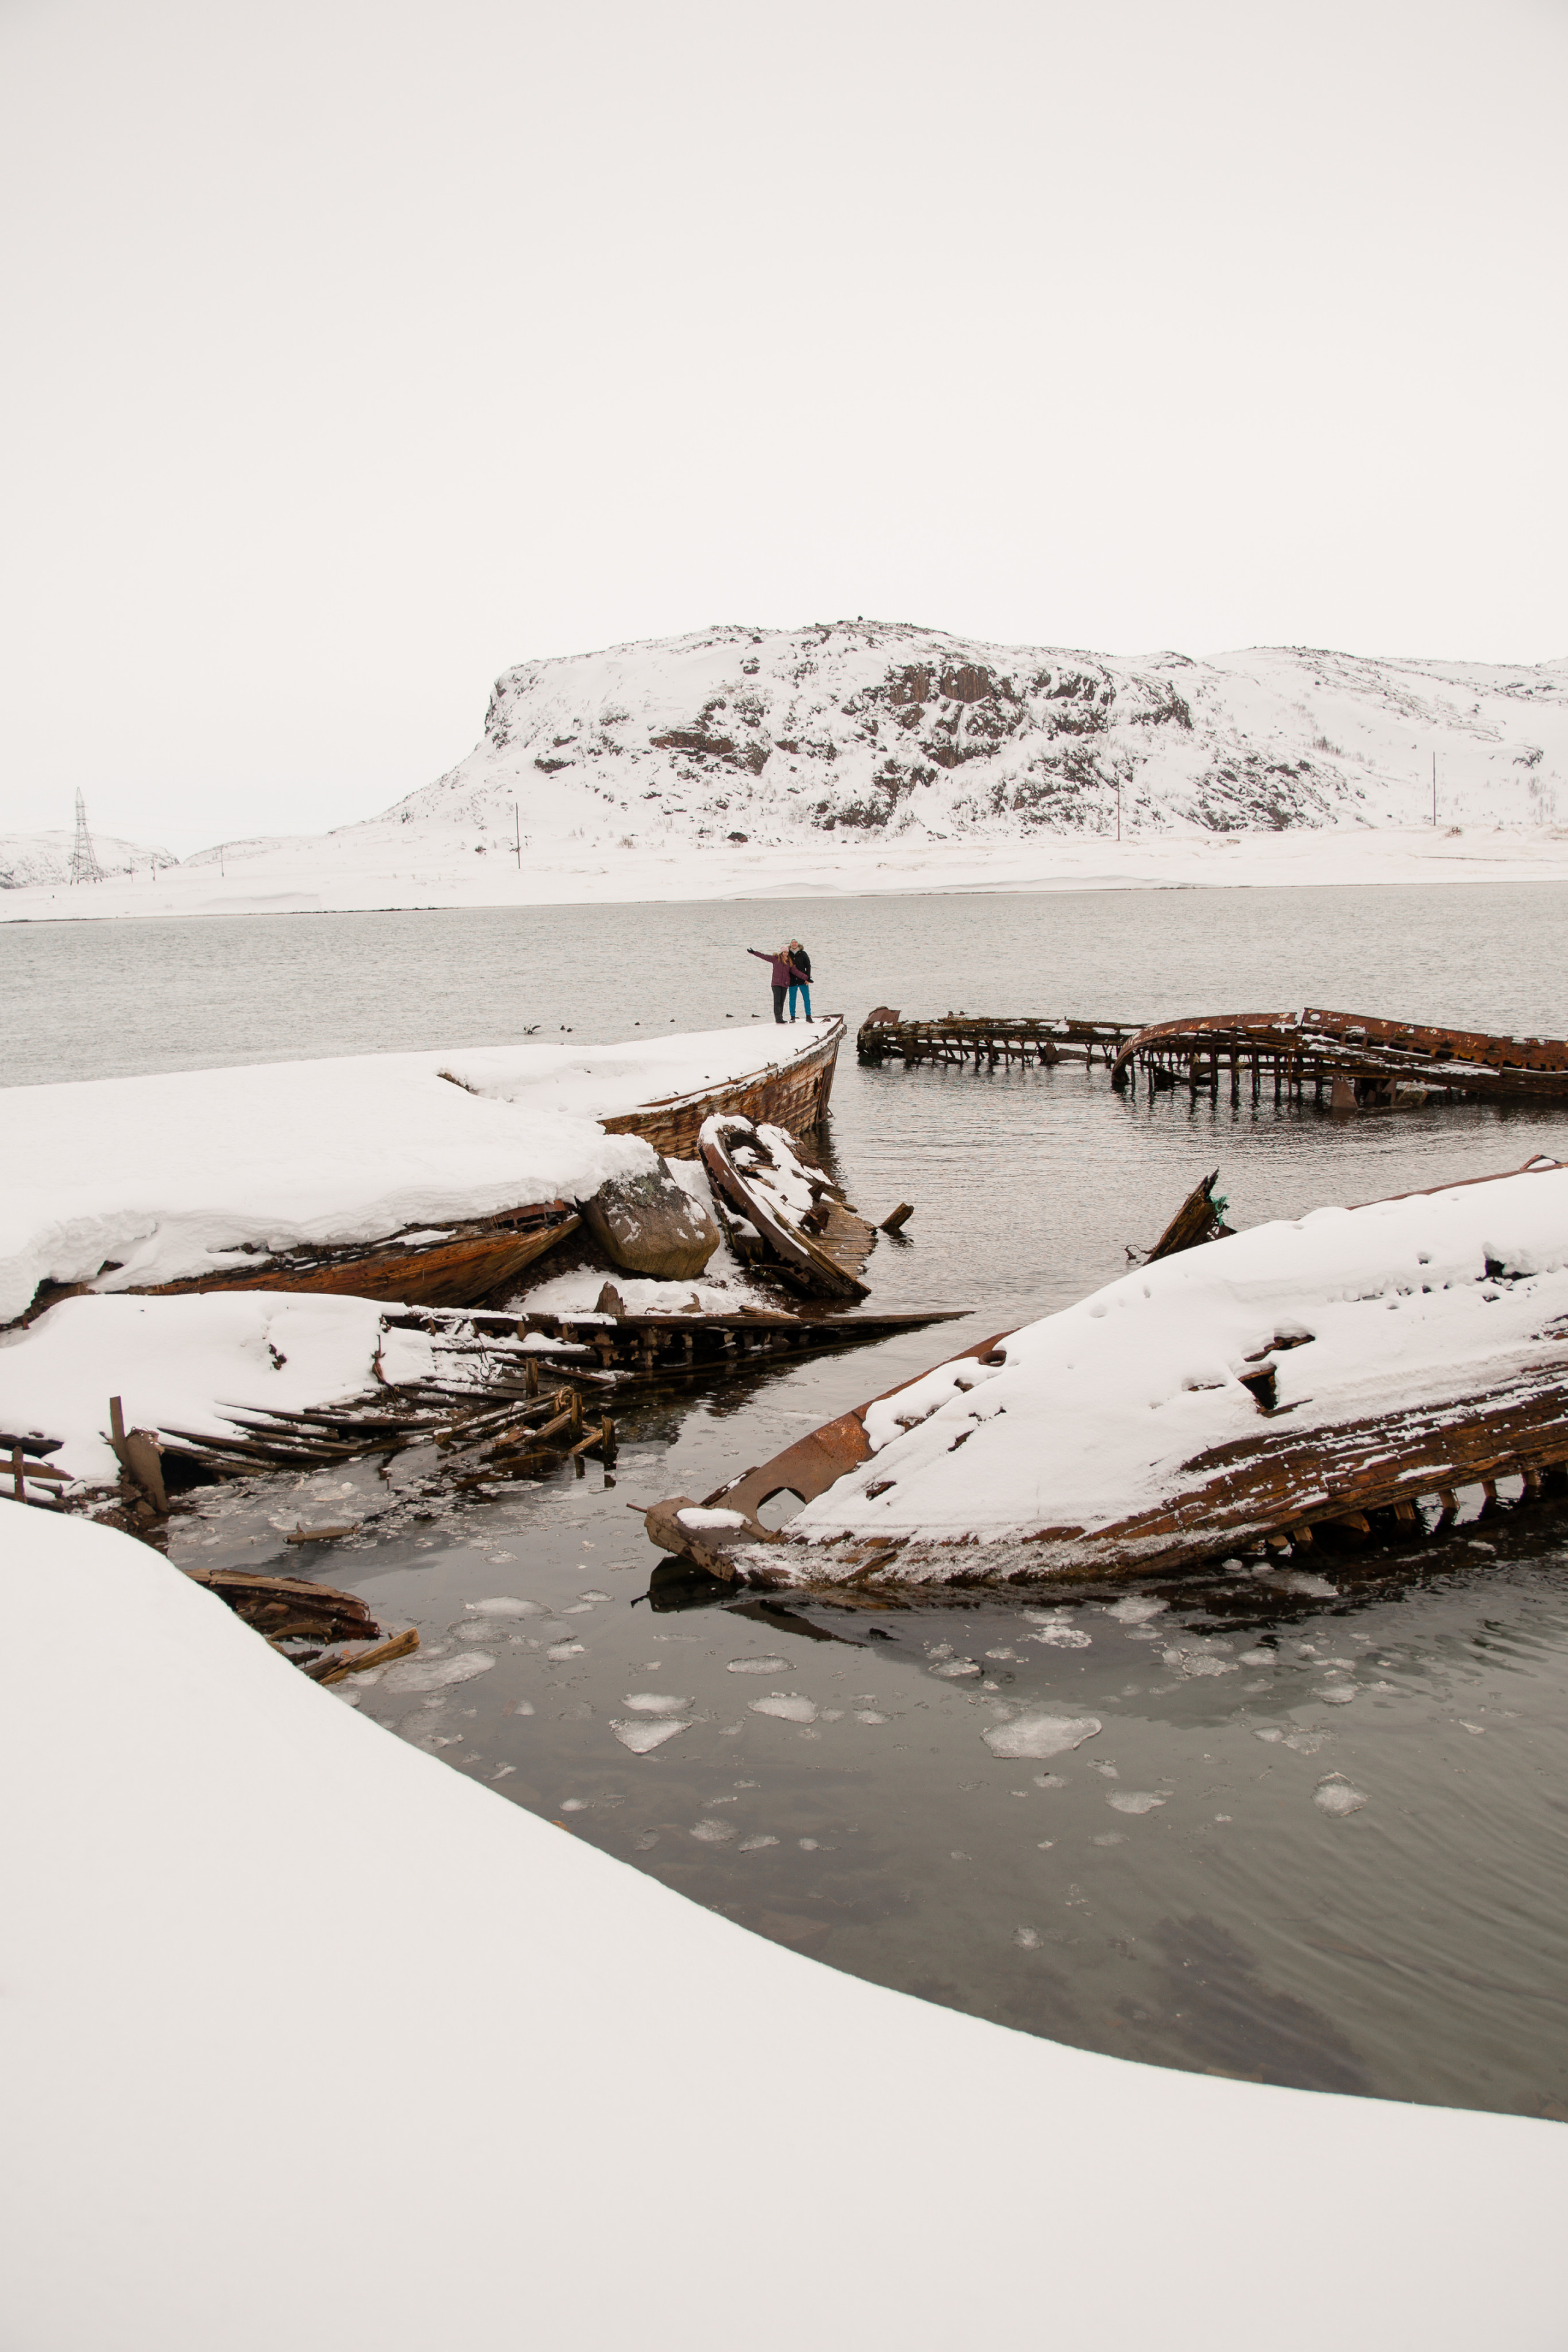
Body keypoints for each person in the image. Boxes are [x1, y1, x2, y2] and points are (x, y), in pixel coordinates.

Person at [747, 943, 806, 1024]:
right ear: (781, 953)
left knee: (782, 1002)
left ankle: (781, 1018)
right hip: (776, 984)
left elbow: (796, 972)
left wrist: (806, 978)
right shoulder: (776, 959)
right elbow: (764, 956)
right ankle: (778, 1019)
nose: (786, 953)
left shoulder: (789, 963)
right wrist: (754, 952)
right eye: (784, 952)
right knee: (777, 1001)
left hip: (785, 984)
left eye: (787, 952)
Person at [786, 939, 812, 1022]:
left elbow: (808, 966)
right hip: (792, 981)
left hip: (803, 980)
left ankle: (808, 1016)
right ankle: (793, 1017)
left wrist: (808, 978)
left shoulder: (803, 954)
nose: (794, 944)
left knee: (806, 999)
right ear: (790, 945)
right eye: (792, 943)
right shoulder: (787, 954)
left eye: (795, 943)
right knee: (792, 1000)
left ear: (798, 944)